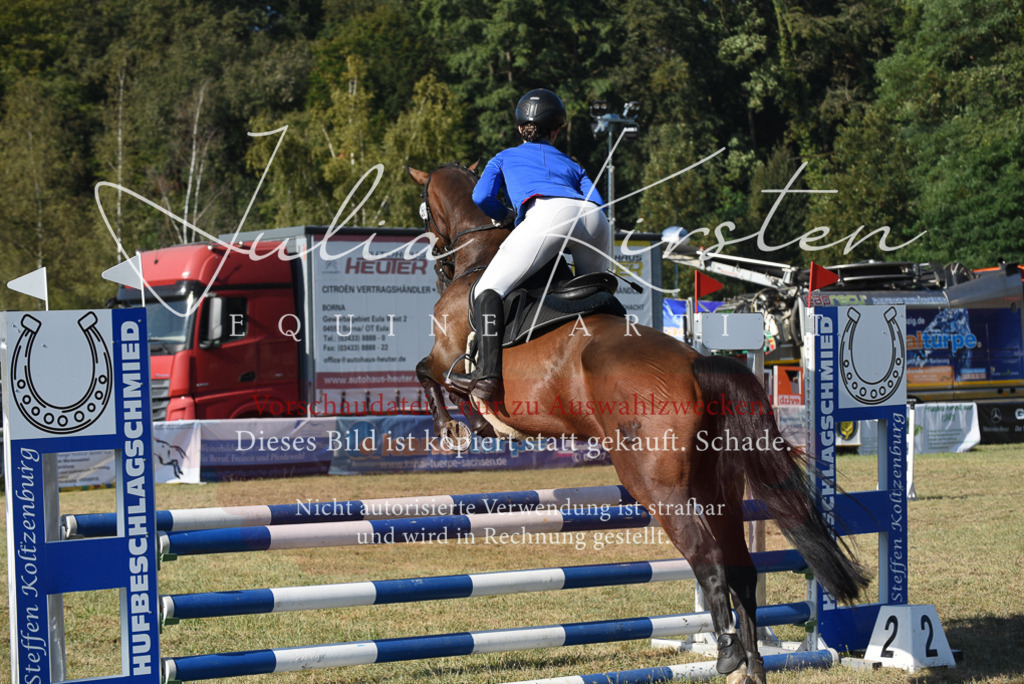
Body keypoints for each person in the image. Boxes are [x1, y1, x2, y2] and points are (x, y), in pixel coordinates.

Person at [449, 88, 611, 402]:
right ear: (557, 130)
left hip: (545, 216)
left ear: (519, 126)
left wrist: (506, 215)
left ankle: (486, 377)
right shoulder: (573, 164)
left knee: (486, 292)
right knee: (596, 293)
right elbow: (599, 204)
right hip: (593, 218)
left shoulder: (504, 157)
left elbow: (481, 197)